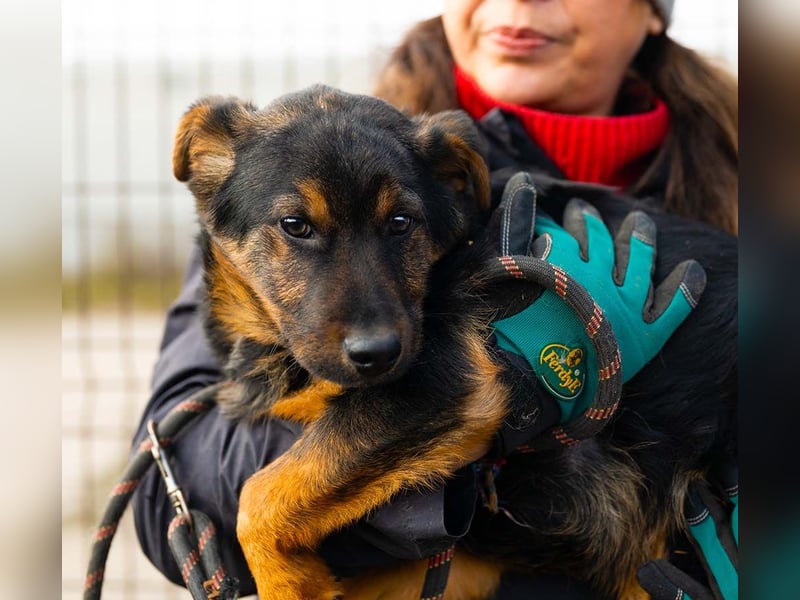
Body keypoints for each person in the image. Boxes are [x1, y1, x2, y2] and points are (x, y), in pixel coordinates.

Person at [130, 1, 737, 597]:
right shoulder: (288, 172)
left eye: (398, 228)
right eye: (298, 229)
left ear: (654, 11)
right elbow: (167, 492)